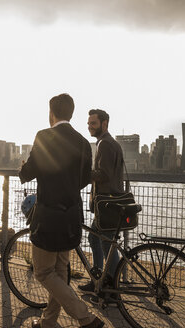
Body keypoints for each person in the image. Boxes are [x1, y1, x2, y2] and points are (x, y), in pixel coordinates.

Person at [19, 94, 104, 328]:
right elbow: (85, 178)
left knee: (43, 273)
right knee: (60, 271)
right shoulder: (82, 142)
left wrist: (23, 168)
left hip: (48, 217)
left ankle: (86, 318)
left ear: (51, 113)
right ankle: (48, 322)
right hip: (71, 216)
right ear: (71, 113)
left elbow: (29, 173)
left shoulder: (44, 136)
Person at [78, 109, 124, 293]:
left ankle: (110, 286)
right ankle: (99, 278)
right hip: (110, 202)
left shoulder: (105, 144)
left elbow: (104, 175)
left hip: (107, 204)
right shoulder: (111, 143)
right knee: (97, 238)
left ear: (104, 123)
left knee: (105, 243)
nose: (89, 126)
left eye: (93, 123)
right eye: (88, 123)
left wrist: (82, 173)